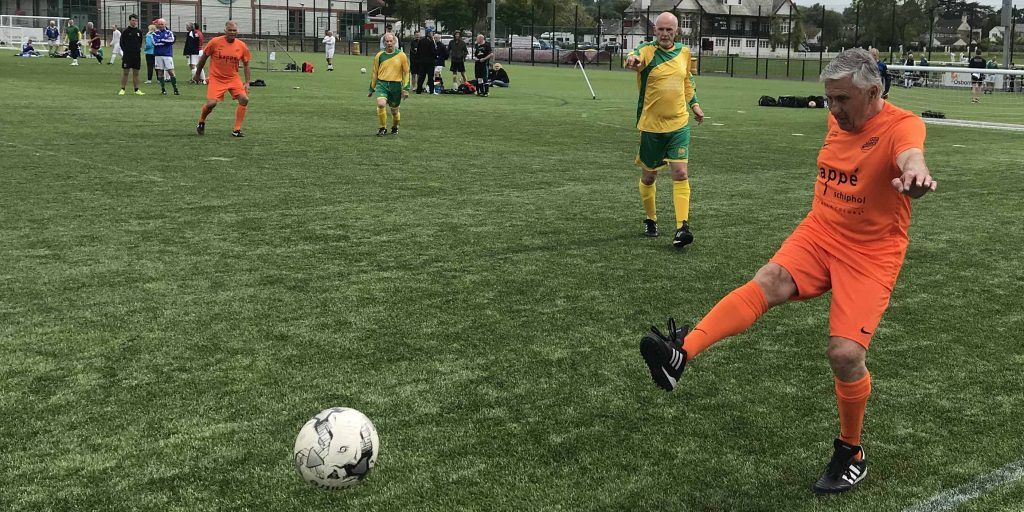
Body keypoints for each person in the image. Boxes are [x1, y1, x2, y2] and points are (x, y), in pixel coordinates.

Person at [639, 48, 937, 495]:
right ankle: (682, 353)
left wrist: (914, 175)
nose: (833, 110)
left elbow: (910, 155)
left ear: (873, 91)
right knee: (769, 280)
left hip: (870, 252)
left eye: (842, 100)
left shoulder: (902, 125)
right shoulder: (839, 118)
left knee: (845, 354)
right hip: (820, 231)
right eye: (829, 99)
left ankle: (850, 451)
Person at [624, 12, 704, 246]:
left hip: (679, 124)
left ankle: (682, 227)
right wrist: (631, 61)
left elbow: (687, 82)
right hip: (651, 127)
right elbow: (633, 57)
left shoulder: (684, 53)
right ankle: (650, 218)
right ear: (655, 31)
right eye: (661, 29)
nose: (665, 34)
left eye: (670, 30)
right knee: (649, 177)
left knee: (680, 173)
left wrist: (695, 105)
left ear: (676, 31)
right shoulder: (647, 51)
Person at [194, 21, 252, 138]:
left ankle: (237, 130)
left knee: (244, 99)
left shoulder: (241, 46)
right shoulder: (215, 42)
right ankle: (201, 121)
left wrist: (247, 82)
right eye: (230, 30)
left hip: (233, 78)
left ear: (237, 32)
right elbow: (203, 58)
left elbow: (246, 64)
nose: (232, 32)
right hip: (216, 78)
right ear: (225, 30)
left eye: (234, 31)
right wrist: (197, 74)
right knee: (211, 104)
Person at [367, 33, 410, 136]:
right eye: (387, 41)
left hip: (396, 86)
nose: (389, 43)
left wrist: (406, 88)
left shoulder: (401, 55)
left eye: (391, 41)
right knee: (381, 104)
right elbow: (375, 72)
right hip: (382, 84)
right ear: (384, 42)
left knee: (394, 112)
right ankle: (382, 128)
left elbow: (407, 72)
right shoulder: (379, 55)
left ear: (394, 42)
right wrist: (371, 88)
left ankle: (395, 127)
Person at [117, 14, 145, 96]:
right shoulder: (126, 31)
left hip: (136, 55)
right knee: (126, 72)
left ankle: (136, 90)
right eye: (133, 20)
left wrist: (137, 50)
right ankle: (122, 89)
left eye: (136, 20)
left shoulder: (139, 32)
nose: (134, 22)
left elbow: (140, 42)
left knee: (136, 73)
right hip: (127, 55)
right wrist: (126, 51)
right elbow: (122, 43)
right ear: (130, 21)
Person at [152, 18, 179, 95]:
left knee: (171, 71)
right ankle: (163, 89)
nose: (160, 26)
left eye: (162, 24)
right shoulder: (155, 33)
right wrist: (164, 41)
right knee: (160, 72)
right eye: (159, 24)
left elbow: (171, 41)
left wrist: (161, 40)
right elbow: (155, 43)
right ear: (157, 25)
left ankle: (175, 89)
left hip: (167, 55)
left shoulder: (169, 32)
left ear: (165, 25)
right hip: (158, 55)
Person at [415, 29, 437, 94]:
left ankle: (418, 90)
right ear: (429, 33)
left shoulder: (421, 41)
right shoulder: (431, 41)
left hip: (422, 61)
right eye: (431, 33)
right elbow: (433, 51)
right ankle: (431, 90)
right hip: (430, 62)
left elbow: (418, 51)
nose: (432, 34)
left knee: (421, 76)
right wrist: (436, 55)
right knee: (430, 77)